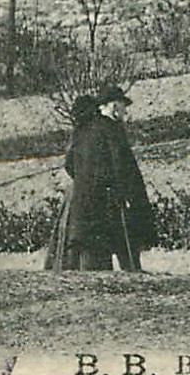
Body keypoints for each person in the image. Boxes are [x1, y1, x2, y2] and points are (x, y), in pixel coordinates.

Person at [49, 86, 155, 272]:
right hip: (107, 205)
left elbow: (69, 165)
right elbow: (125, 169)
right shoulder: (113, 129)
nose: (125, 111)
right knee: (126, 257)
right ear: (114, 106)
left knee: (90, 266)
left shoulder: (81, 129)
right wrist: (133, 199)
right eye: (123, 106)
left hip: (81, 206)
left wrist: (86, 180)